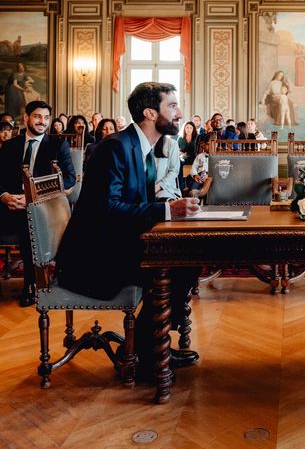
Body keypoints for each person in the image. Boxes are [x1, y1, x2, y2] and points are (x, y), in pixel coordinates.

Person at [55, 82, 201, 372]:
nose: (179, 112)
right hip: (92, 259)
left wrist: (169, 207)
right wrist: (166, 209)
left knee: (189, 258)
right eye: (172, 106)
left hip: (113, 244)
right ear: (149, 112)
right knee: (181, 263)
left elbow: (133, 203)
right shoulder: (116, 148)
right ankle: (148, 353)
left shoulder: (140, 147)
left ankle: (146, 345)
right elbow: (107, 210)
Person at [0, 100, 76, 306]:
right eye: (37, 116)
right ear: (26, 118)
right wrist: (5, 196)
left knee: (29, 217)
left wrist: (32, 197)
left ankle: (30, 284)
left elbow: (69, 178)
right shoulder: (10, 145)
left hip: (42, 204)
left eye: (46, 118)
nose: (42, 121)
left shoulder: (58, 144)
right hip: (9, 202)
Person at [154, 135, 181, 201]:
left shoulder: (171, 143)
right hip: (144, 188)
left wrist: (159, 186)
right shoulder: (142, 143)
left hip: (164, 187)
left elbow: (174, 171)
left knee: (161, 201)